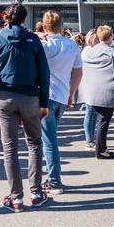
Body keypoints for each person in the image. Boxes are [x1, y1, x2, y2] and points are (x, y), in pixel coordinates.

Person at [0, 3, 50, 213]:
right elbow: (44, 73)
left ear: (5, 18)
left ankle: (16, 198)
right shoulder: (33, 40)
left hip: (5, 97)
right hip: (30, 97)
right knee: (34, 143)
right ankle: (36, 193)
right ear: (24, 20)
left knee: (10, 149)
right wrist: (44, 102)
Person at [40, 10, 83, 193]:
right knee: (51, 137)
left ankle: (54, 180)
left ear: (44, 27)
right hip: (62, 95)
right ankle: (52, 177)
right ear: (62, 27)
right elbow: (78, 73)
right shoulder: (71, 45)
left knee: (49, 140)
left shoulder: (43, 46)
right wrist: (71, 93)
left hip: (45, 96)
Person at [78, 25, 114, 159]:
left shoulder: (90, 51)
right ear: (109, 37)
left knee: (99, 120)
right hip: (107, 92)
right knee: (103, 121)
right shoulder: (112, 52)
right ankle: (100, 150)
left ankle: (102, 147)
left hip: (92, 91)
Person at [81, 29, 99, 151]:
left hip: (95, 84)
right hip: (89, 84)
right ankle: (89, 140)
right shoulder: (87, 51)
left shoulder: (93, 50)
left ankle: (92, 138)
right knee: (90, 112)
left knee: (94, 113)